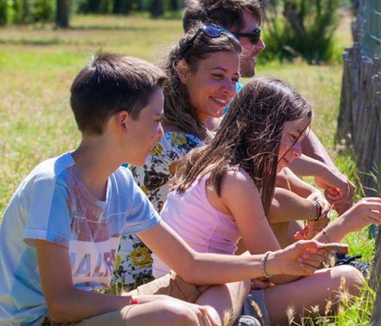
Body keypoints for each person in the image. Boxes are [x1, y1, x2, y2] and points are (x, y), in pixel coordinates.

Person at [0, 53, 343, 326]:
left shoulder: (120, 183)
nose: (162, 133)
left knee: (234, 270)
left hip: (93, 317)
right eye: (157, 120)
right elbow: (63, 305)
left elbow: (189, 264)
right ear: (123, 122)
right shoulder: (54, 185)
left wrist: (270, 262)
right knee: (170, 316)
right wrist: (146, 302)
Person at [152, 77, 381, 326]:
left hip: (188, 287)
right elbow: (284, 272)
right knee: (351, 281)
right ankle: (237, 325)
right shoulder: (236, 181)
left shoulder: (213, 160)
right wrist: (346, 224)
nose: (298, 151)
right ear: (262, 128)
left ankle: (239, 323)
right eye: (292, 138)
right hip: (202, 296)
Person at [114, 23, 335, 289]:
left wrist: (313, 189)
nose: (230, 89)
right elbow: (262, 201)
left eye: (234, 78)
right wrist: (315, 207)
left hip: (192, 264)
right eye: (218, 76)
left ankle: (312, 273)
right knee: (273, 216)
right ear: (183, 71)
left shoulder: (206, 126)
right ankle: (312, 275)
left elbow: (272, 173)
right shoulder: (170, 140)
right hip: (152, 275)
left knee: (275, 209)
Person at [182, 0, 355, 214]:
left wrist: (330, 172)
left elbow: (289, 126)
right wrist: (315, 204)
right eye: (253, 36)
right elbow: (259, 162)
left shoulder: (233, 91)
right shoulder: (193, 106)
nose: (261, 45)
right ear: (222, 38)